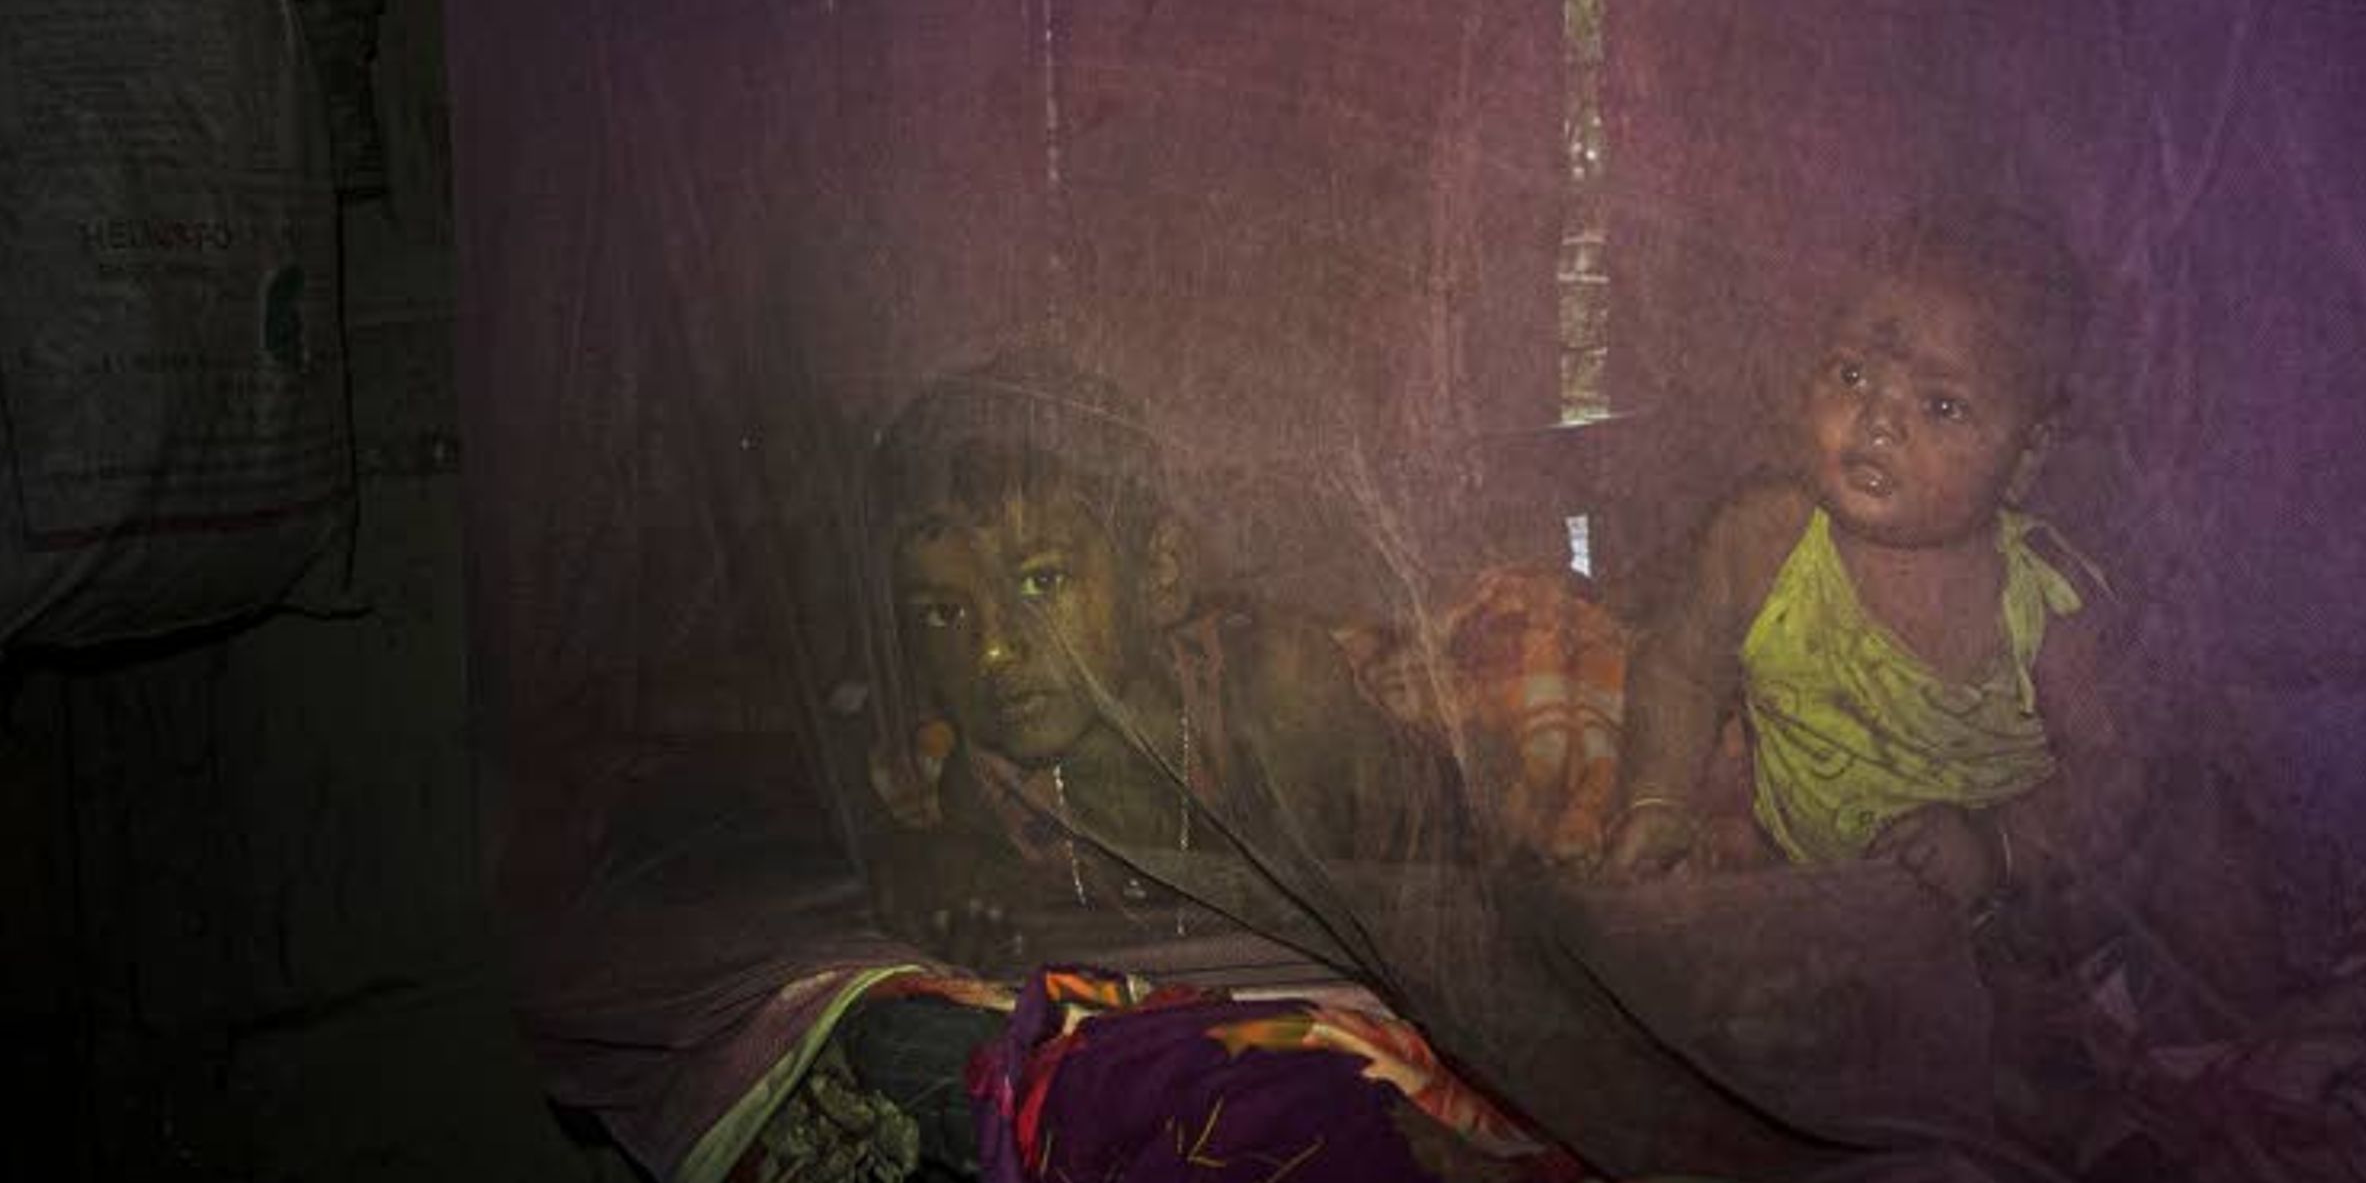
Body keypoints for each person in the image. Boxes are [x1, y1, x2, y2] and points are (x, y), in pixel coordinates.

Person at [1603, 209, 2119, 922]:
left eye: (1941, 405)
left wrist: (1998, 846)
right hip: (1804, 907)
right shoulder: (1763, 540)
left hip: (1994, 928)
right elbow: (1681, 667)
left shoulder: (2041, 604)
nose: (1878, 420)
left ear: (2025, 453)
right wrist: (1656, 800)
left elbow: (2115, 773)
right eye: (1852, 374)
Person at [858, 353, 1455, 969]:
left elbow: (1335, 926)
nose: (992, 648)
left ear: (1159, 573)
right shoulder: (991, 782)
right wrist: (950, 880)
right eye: (943, 614)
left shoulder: (1275, 690)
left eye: (1041, 581)